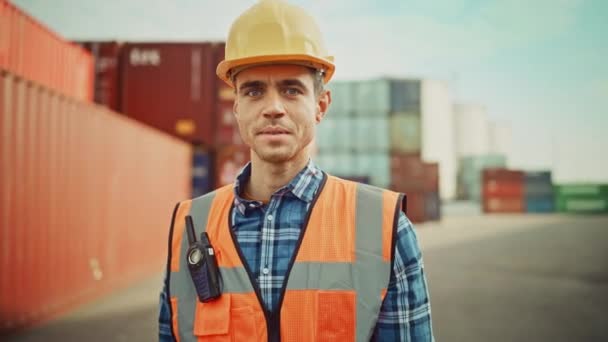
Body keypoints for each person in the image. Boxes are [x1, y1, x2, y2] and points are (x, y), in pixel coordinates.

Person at [158, 0, 434, 340]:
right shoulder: (189, 227)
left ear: (320, 105)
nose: (273, 108)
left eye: (291, 90)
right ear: (237, 109)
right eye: (254, 90)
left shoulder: (384, 226)